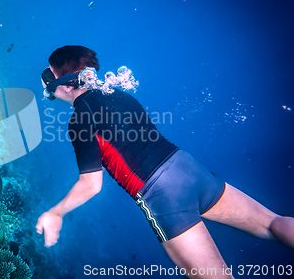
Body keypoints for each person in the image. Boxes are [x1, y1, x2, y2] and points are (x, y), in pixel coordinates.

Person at [35, 45, 294, 279]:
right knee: (272, 223)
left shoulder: (80, 119)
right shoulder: (117, 93)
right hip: (190, 170)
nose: (47, 84)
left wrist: (55, 213)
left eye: (50, 77)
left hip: (162, 194)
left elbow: (91, 185)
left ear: (67, 83)